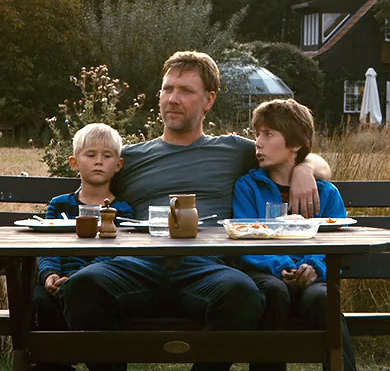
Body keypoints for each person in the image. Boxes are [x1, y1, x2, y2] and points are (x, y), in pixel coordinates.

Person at [58, 51, 332, 371]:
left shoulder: (233, 150)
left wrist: (303, 169)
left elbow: (305, 156)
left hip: (205, 268)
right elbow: (82, 186)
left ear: (208, 100)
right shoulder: (128, 158)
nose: (173, 99)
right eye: (167, 89)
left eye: (185, 91)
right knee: (82, 286)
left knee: (242, 293)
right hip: (137, 264)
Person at [232, 99, 356, 371]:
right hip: (267, 275)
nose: (258, 143)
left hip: (314, 279)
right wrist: (283, 266)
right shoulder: (248, 187)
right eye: (257, 135)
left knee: (324, 299)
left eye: (268, 134)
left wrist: (313, 266)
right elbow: (245, 239)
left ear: (296, 144)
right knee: (273, 292)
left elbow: (335, 242)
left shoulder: (326, 193)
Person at [30, 123, 134, 358]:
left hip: (96, 280)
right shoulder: (60, 205)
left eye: (107, 156)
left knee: (94, 301)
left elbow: (115, 252)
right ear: (74, 162)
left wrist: (78, 276)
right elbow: (48, 245)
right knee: (40, 302)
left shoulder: (122, 210)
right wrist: (49, 275)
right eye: (91, 155)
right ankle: (53, 363)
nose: (99, 161)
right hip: (55, 278)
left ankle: (106, 361)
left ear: (118, 165)